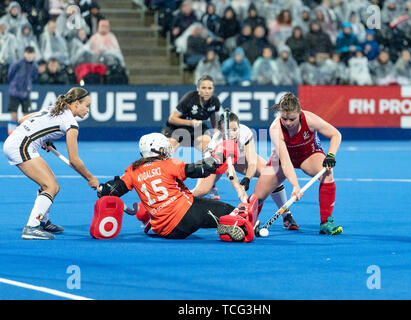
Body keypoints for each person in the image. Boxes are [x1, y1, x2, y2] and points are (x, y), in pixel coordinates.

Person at [96, 132, 254, 241]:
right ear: (159, 150)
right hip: (187, 215)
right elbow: (201, 170)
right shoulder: (169, 164)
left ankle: (224, 224)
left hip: (163, 230)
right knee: (233, 212)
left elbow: (113, 190)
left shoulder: (133, 170)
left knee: (198, 208)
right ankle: (236, 224)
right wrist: (218, 156)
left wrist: (101, 188)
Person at [3, 87, 99, 240]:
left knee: (50, 183)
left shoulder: (53, 109)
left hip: (17, 141)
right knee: (51, 186)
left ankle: (43, 221)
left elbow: (22, 120)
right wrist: (90, 178)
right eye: (86, 106)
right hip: (21, 145)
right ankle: (32, 226)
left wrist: (45, 138)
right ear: (75, 103)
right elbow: (74, 160)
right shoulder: (71, 123)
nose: (88, 110)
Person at [251, 92, 343, 235]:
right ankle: (249, 223)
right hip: (283, 159)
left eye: (292, 119)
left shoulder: (310, 119)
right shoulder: (275, 129)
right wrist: (295, 185)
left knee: (327, 174)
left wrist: (331, 155)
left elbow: (335, 134)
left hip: (309, 155)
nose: (287, 123)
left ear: (299, 114)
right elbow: (286, 162)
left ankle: (326, 222)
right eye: (284, 118)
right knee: (258, 195)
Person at [192, 109, 300, 230]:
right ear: (221, 131)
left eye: (235, 129)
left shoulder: (245, 132)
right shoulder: (216, 143)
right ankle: (180, 201)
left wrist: (247, 178)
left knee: (271, 175)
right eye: (228, 130)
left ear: (239, 127)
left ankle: (286, 216)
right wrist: (240, 190)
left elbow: (252, 160)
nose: (232, 133)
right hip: (216, 162)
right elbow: (231, 173)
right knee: (201, 190)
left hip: (241, 158)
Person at [162, 75, 220, 153]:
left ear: (213, 90)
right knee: (169, 147)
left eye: (210, 88)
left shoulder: (215, 101)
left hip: (197, 128)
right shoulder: (189, 98)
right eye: (203, 88)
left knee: (206, 141)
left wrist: (215, 129)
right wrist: (190, 122)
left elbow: (213, 115)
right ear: (198, 89)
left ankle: (206, 162)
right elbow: (172, 119)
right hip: (176, 128)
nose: (207, 91)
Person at [7, 46, 38, 135]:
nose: (29, 56)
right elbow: (10, 75)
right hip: (14, 93)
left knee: (27, 116)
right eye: (28, 53)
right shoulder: (17, 63)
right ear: (25, 53)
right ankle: (11, 135)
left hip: (26, 94)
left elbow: (34, 77)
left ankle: (25, 135)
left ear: (34, 55)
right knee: (13, 115)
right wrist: (15, 85)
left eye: (31, 54)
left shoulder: (34, 66)